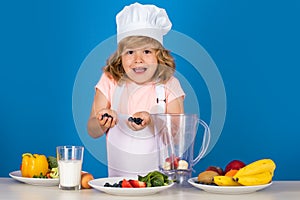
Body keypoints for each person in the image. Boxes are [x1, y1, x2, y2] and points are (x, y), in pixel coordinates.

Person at [87, 2, 185, 177]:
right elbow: (92, 130)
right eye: (130, 52)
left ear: (159, 55)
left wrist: (153, 121)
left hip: (161, 186)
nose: (138, 59)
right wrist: (102, 121)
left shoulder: (169, 84)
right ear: (120, 56)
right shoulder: (110, 81)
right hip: (119, 185)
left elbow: (178, 138)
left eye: (147, 51)